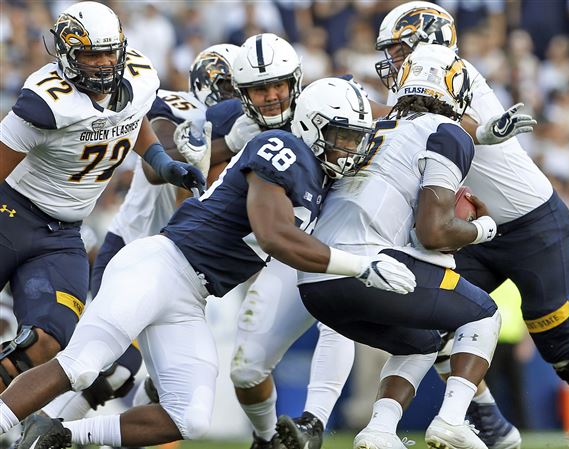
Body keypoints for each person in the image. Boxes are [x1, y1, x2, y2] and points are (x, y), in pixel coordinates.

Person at [0, 77, 417, 449]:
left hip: (192, 295)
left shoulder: (318, 178)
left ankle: (60, 433)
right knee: (84, 365)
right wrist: (359, 266)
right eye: (341, 135)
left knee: (190, 418)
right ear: (312, 125)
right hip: (159, 266)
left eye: (355, 137)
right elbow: (274, 235)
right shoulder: (284, 147)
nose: (349, 147)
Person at [374, 1, 569, 447]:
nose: (392, 60)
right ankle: (489, 421)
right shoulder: (411, 88)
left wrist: (482, 131)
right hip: (480, 231)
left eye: (399, 49)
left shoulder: (454, 73)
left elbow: (450, 118)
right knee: (427, 323)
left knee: (561, 351)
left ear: (427, 44)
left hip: (535, 224)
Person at [279, 43, 499, 449]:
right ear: (455, 90)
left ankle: (379, 430)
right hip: (369, 265)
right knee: (484, 315)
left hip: (317, 282)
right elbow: (433, 231)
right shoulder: (446, 132)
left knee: (424, 337)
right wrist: (481, 229)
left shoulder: (372, 125)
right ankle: (451, 419)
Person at [0, 0, 203, 396]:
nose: (104, 63)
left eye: (110, 52)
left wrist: (160, 162)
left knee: (47, 342)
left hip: (61, 236)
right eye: (92, 54)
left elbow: (132, 117)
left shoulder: (140, 77)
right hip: (10, 215)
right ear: (66, 54)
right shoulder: (46, 102)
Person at [35, 43, 239, 427]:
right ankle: (37, 425)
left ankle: (49, 430)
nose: (233, 94)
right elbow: (155, 161)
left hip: (177, 265)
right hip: (131, 249)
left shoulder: (248, 135)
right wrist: (224, 144)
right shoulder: (181, 108)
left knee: (129, 372)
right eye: (227, 84)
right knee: (110, 364)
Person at [182, 34, 358, 449]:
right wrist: (197, 155)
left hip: (338, 226)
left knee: (343, 312)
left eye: (280, 84)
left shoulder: (325, 100)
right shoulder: (238, 124)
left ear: (296, 80)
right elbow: (201, 169)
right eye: (260, 89)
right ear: (242, 95)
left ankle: (315, 424)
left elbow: (378, 122)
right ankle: (266, 439)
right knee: (245, 370)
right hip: (283, 244)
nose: (273, 96)